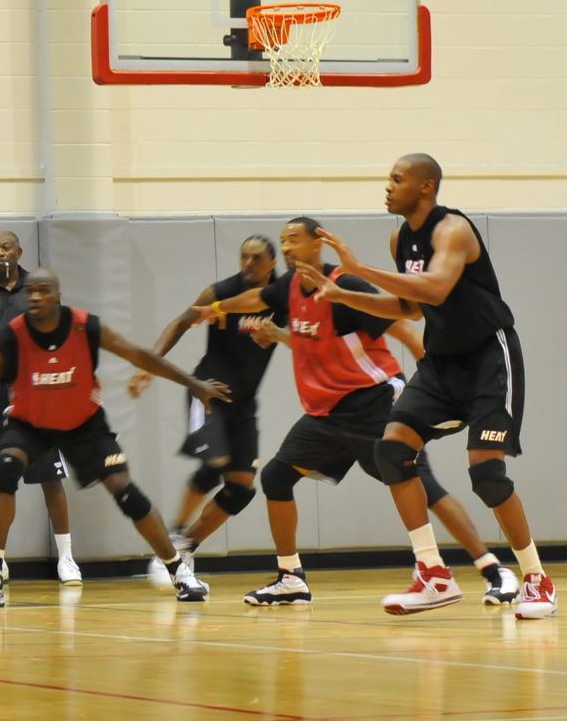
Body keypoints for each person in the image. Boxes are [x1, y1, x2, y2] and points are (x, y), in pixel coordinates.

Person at [194, 217, 518, 608]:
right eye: (283, 241)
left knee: (425, 488)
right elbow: (257, 301)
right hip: (326, 414)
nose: (287, 247)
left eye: (294, 239)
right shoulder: (290, 288)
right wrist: (213, 308)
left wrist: (431, 378)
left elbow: (403, 326)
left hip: (372, 404)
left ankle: (493, 570)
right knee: (276, 478)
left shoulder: (345, 285)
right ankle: (290, 578)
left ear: (319, 245)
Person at [305, 154, 553, 619]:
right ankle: (433, 574)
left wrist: (357, 268)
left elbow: (436, 289)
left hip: (487, 359)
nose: (388, 186)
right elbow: (408, 308)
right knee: (391, 450)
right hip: (441, 364)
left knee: (487, 476)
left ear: (426, 187)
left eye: (396, 179)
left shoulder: (452, 229)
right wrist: (343, 294)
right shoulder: (400, 237)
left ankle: (537, 579)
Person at [0, 267, 230, 607]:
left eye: (42, 290)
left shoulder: (85, 326)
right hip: (30, 423)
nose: (34, 296)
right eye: (30, 291)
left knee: (127, 494)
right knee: (3, 471)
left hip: (84, 424)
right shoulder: (12, 337)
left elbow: (138, 355)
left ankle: (179, 572)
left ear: (57, 296)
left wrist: (195, 385)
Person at [128, 236, 280, 588]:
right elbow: (181, 322)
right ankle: (173, 538)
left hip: (245, 402)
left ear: (272, 263)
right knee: (215, 465)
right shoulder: (220, 292)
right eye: (244, 256)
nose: (248, 263)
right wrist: (150, 366)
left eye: (257, 258)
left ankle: (187, 548)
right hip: (207, 392)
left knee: (241, 488)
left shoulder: (281, 298)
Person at [0, 231, 78, 585]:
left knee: (49, 475)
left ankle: (66, 557)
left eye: (6, 247)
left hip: (35, 391)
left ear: (19, 252)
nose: (0, 253)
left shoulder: (37, 292)